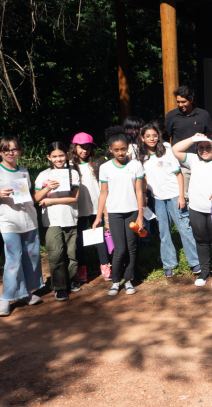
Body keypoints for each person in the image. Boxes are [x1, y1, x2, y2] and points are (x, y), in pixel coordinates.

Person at [0, 136, 45, 316]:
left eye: (15, 149)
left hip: (29, 220)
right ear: (0, 152)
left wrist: (46, 190)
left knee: (31, 256)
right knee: (13, 260)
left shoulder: (24, 171)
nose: (11, 153)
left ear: (20, 151)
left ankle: (25, 293)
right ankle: (5, 299)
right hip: (9, 222)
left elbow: (28, 198)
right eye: (6, 150)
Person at [137, 123, 200, 277]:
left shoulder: (166, 151)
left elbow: (179, 175)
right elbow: (144, 179)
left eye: (154, 135)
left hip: (174, 197)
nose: (152, 138)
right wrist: (144, 195)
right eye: (148, 136)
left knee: (184, 228)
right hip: (157, 199)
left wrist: (181, 196)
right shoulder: (142, 156)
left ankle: (195, 262)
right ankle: (169, 264)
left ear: (158, 136)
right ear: (142, 138)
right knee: (163, 232)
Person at [172, 133, 212, 288]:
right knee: (201, 240)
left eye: (208, 147)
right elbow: (175, 150)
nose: (204, 150)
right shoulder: (193, 160)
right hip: (196, 209)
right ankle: (205, 272)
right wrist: (193, 138)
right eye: (201, 147)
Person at [92, 131, 145, 297]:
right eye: (116, 150)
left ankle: (128, 280)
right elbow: (103, 194)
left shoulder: (136, 165)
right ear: (110, 150)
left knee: (131, 247)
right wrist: (99, 217)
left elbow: (139, 192)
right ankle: (116, 281)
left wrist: (140, 215)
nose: (120, 153)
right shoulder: (105, 168)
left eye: (123, 149)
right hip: (114, 213)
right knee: (119, 249)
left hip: (132, 212)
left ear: (127, 148)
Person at [34, 142, 81, 301]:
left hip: (70, 218)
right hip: (51, 220)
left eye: (61, 155)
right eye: (54, 156)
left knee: (71, 253)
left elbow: (74, 198)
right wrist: (47, 189)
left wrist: (51, 201)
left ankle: (71, 281)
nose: (58, 159)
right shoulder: (43, 175)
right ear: (48, 157)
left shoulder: (72, 174)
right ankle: (59, 287)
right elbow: (36, 198)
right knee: (55, 254)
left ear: (67, 155)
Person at [69, 132, 111, 281]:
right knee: (79, 240)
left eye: (88, 148)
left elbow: (103, 189)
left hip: (96, 208)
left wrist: (105, 213)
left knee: (99, 237)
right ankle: (81, 268)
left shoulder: (98, 164)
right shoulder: (69, 166)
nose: (84, 151)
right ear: (75, 147)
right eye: (81, 148)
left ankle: (105, 265)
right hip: (77, 210)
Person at [165, 85, 212, 195]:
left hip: (201, 161)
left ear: (191, 99)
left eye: (183, 102)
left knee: (203, 193)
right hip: (181, 164)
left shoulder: (203, 114)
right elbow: (166, 140)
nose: (180, 105)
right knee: (184, 196)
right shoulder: (171, 116)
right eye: (178, 102)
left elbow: (211, 136)